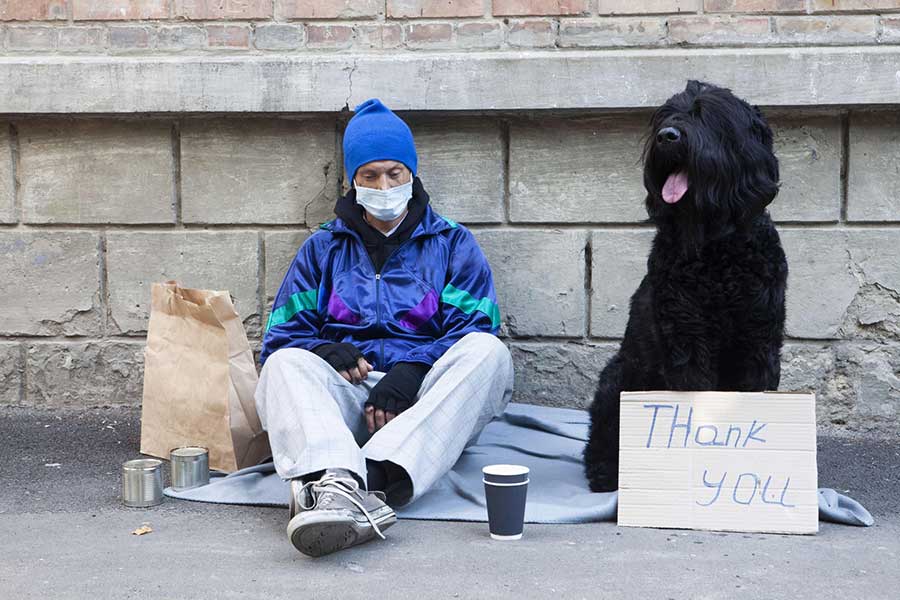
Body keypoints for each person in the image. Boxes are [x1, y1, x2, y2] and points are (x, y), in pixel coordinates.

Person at [255, 98, 514, 557]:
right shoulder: (323, 247)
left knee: (489, 353)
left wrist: (413, 370)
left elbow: (474, 325)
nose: (384, 186)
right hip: (348, 394)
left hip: (423, 400)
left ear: (412, 173)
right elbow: (281, 337)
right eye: (370, 176)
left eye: (395, 173)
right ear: (352, 181)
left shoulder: (452, 242)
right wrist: (321, 349)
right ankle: (340, 477)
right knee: (283, 366)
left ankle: (364, 481)